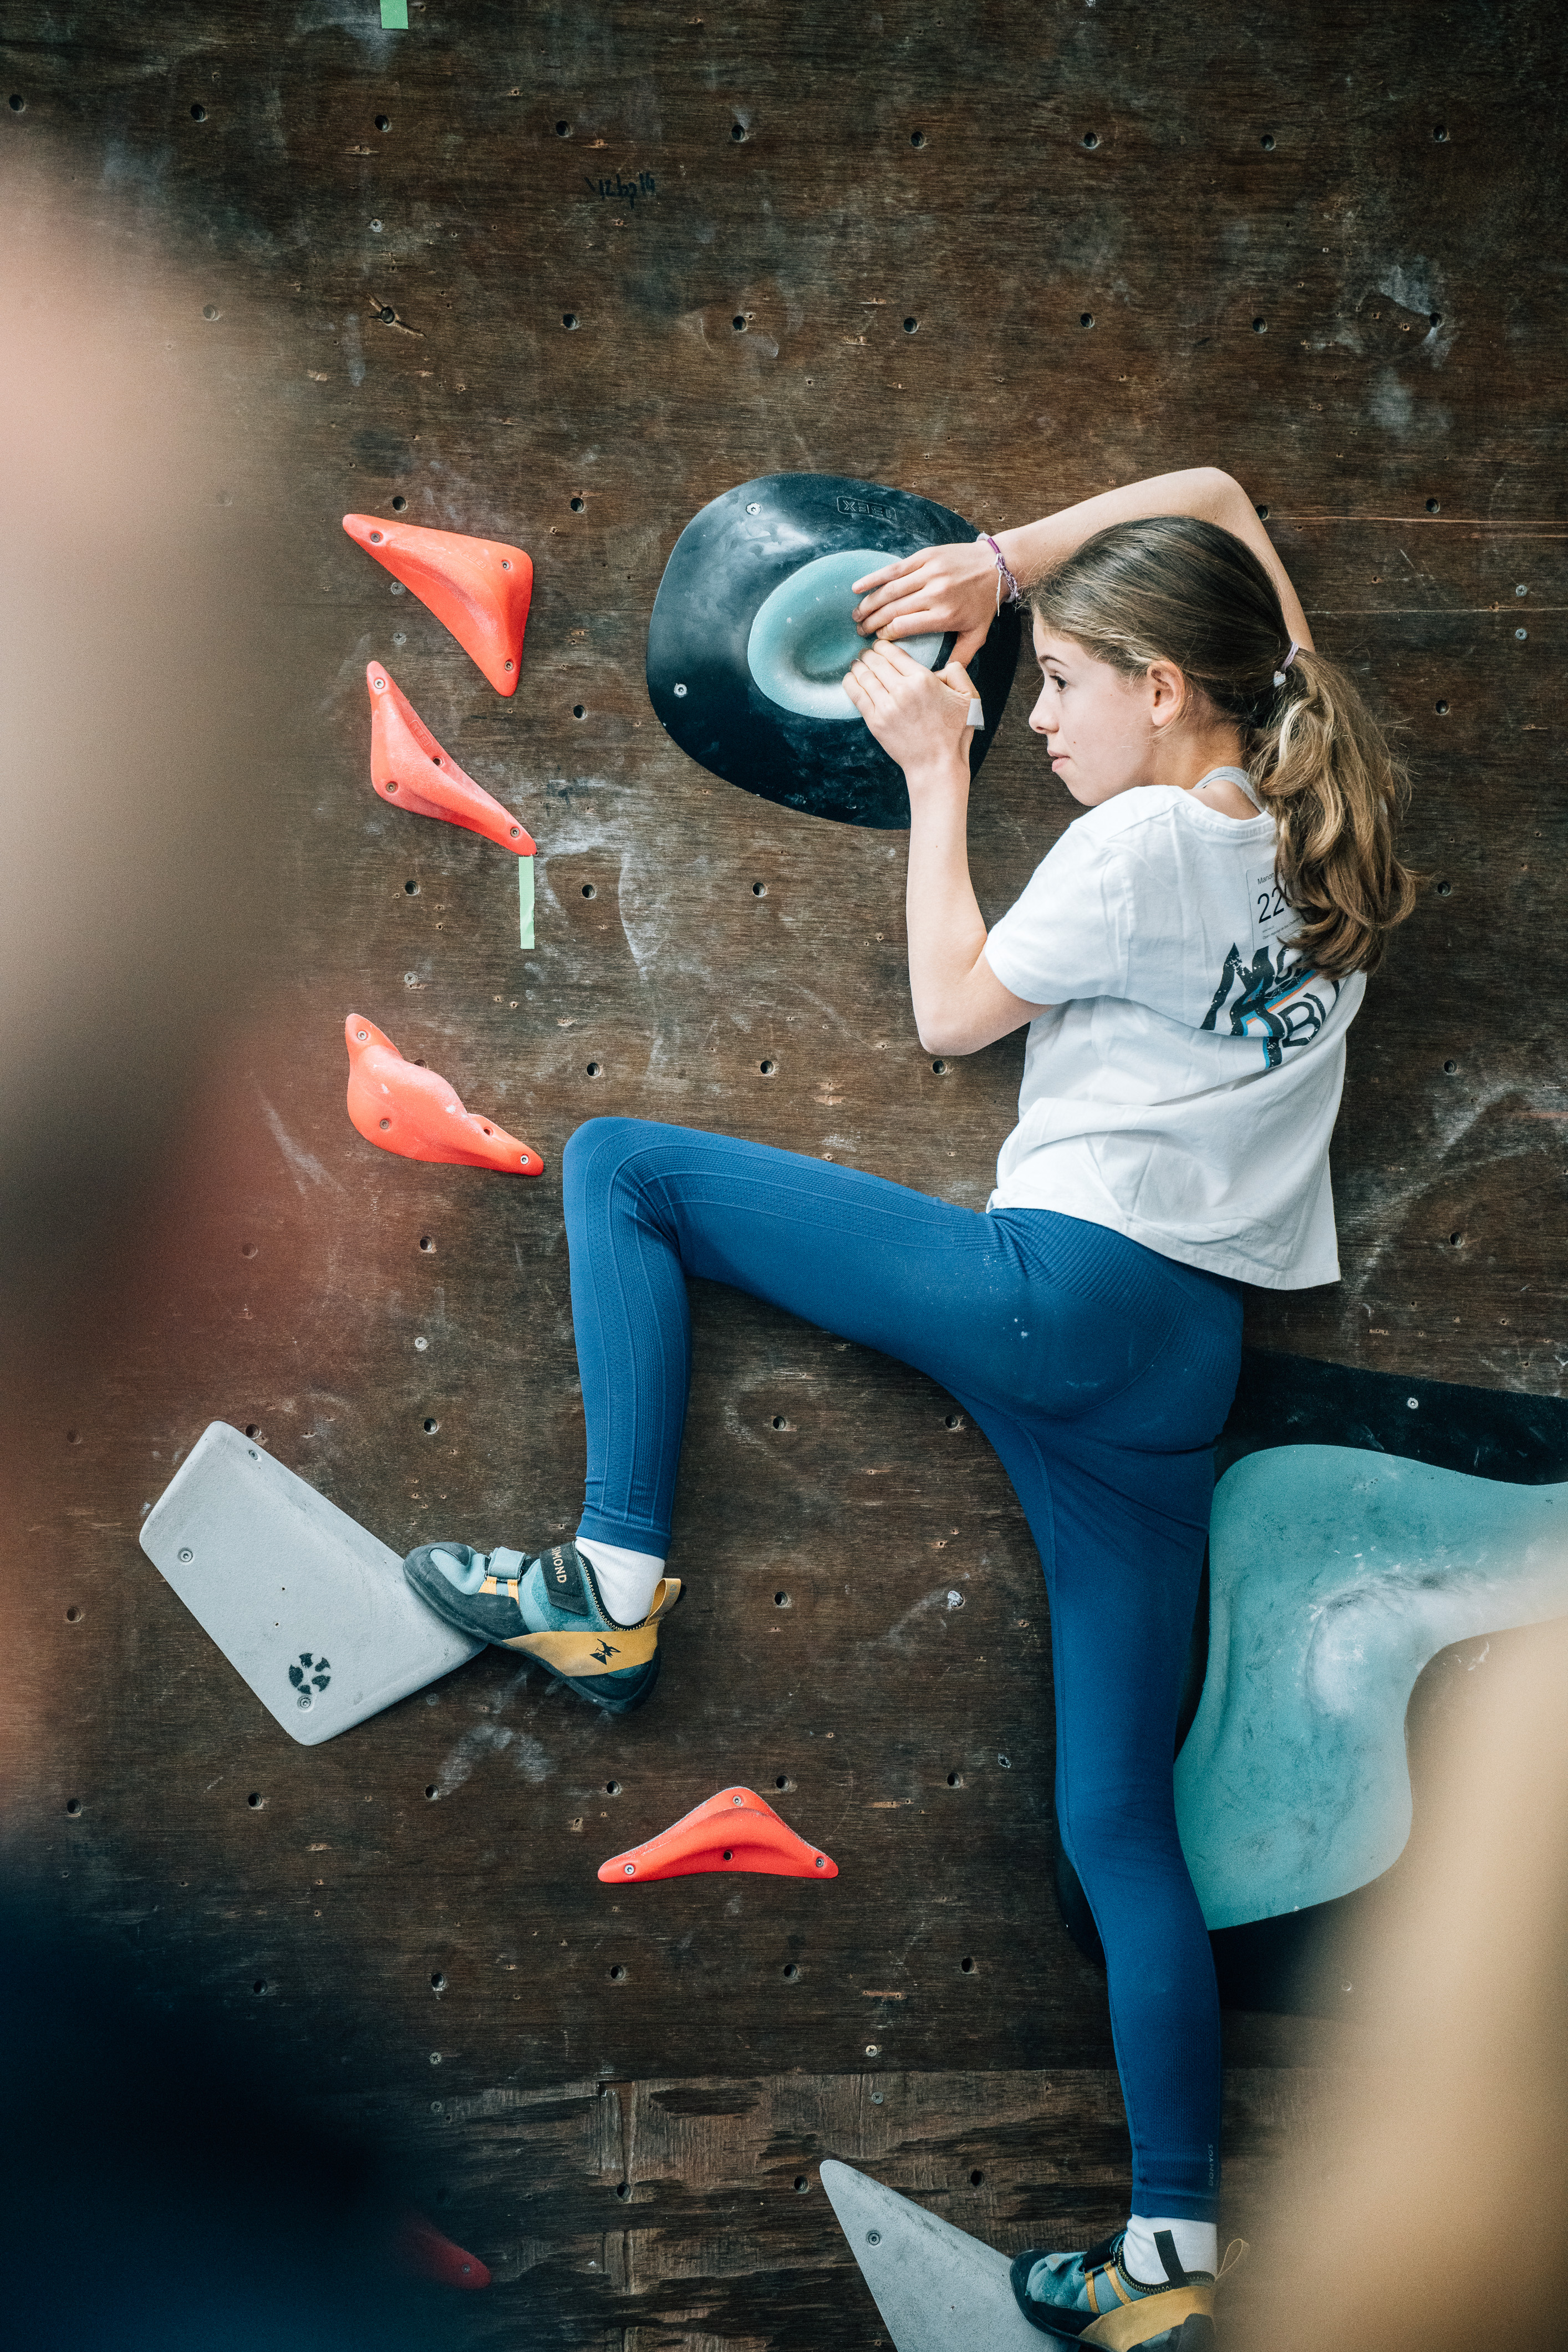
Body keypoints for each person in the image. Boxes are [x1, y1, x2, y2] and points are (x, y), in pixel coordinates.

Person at [404, 467, 1414, 2349]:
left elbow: (951, 1012)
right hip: (1181, 1359)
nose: (1042, 718)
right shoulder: (1313, 814)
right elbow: (1217, 502)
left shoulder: (1138, 844)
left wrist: (935, 766)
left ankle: (610, 1580)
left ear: (1165, 690)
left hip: (1059, 1295)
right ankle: (1167, 2254)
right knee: (1119, 1823)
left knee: (622, 1166)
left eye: (1066, 685)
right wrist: (1004, 573)